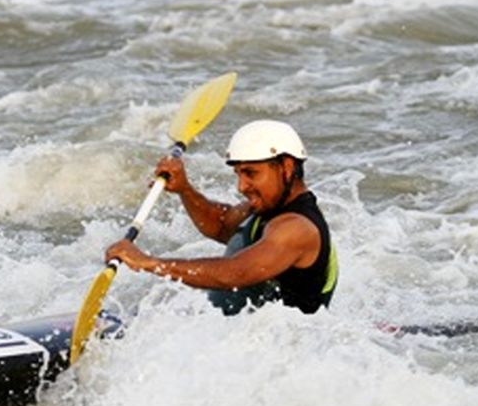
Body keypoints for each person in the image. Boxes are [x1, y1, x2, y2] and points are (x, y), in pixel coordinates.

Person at [105, 120, 337, 314]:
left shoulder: (297, 228)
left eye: (250, 173)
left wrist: (150, 263)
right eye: (238, 173)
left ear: (286, 167)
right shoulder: (265, 208)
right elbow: (220, 224)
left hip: (275, 356)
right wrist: (185, 190)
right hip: (229, 335)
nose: (241, 186)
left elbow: (234, 272)